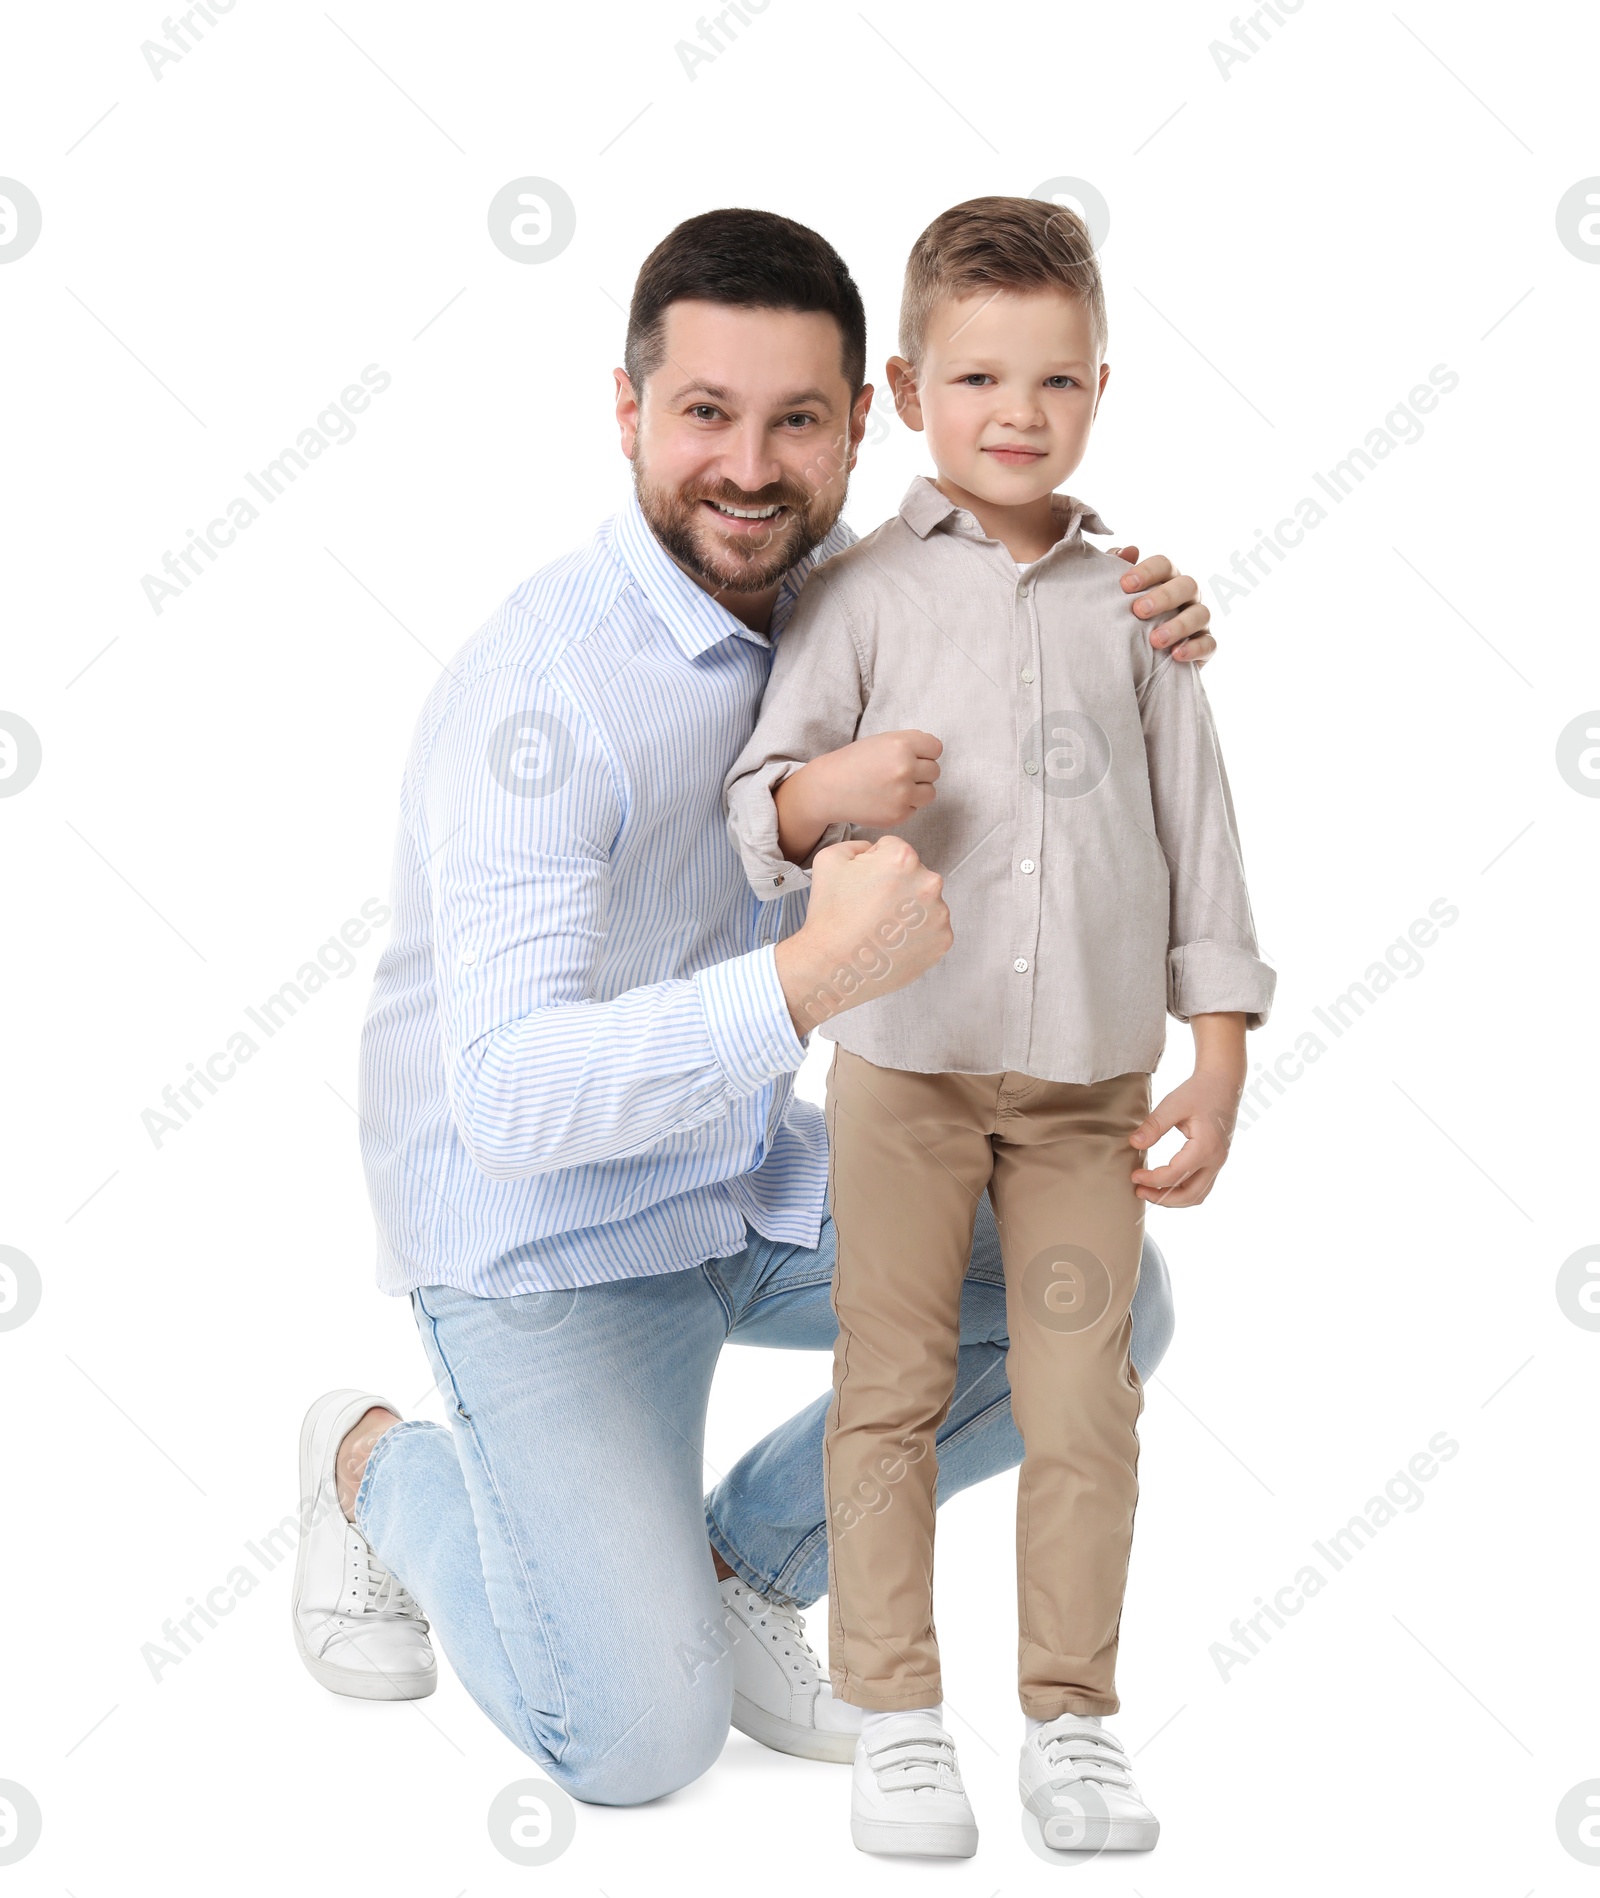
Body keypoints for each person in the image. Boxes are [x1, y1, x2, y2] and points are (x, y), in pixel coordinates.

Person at [289, 208, 1219, 1808]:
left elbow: (1027, 608)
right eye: (705, 413)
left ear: (867, 418)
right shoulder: (543, 695)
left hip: (740, 1179)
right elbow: (507, 1096)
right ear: (631, 408)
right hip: (543, 1235)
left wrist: (1148, 619)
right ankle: (379, 1467)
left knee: (1105, 1303)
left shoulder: (846, 599)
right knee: (639, 1742)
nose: (748, 466)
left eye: (797, 419)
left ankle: (743, 1553)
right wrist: (809, 980)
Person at [724, 196, 1275, 1856]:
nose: (1014, 415)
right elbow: (762, 801)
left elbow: (1203, 829)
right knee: (886, 1384)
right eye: (975, 379)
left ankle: (1074, 1720)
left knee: (1079, 1395)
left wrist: (1222, 1046)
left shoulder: (1140, 611)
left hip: (1091, 1086)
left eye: (1052, 381)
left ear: (1100, 387)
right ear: (905, 389)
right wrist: (832, 796)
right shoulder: (861, 592)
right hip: (902, 1071)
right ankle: (896, 1709)